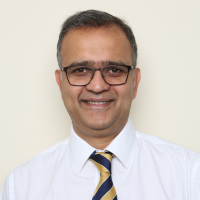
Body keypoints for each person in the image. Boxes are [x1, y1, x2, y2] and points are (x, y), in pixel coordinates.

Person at [0, 9, 200, 200]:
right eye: (80, 70)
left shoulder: (190, 175)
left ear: (135, 81)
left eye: (114, 70)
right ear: (60, 83)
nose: (97, 86)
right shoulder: (20, 186)